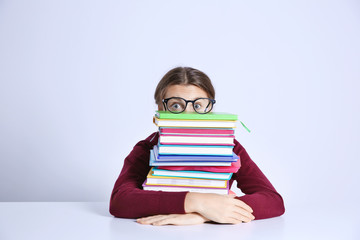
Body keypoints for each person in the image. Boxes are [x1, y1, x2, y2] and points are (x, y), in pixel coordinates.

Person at [109, 67, 285, 226]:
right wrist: (196, 202)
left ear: (210, 109)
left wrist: (207, 214)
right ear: (160, 109)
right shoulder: (147, 148)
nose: (188, 115)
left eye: (198, 105)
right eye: (176, 105)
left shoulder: (229, 148)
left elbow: (273, 200)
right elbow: (120, 201)